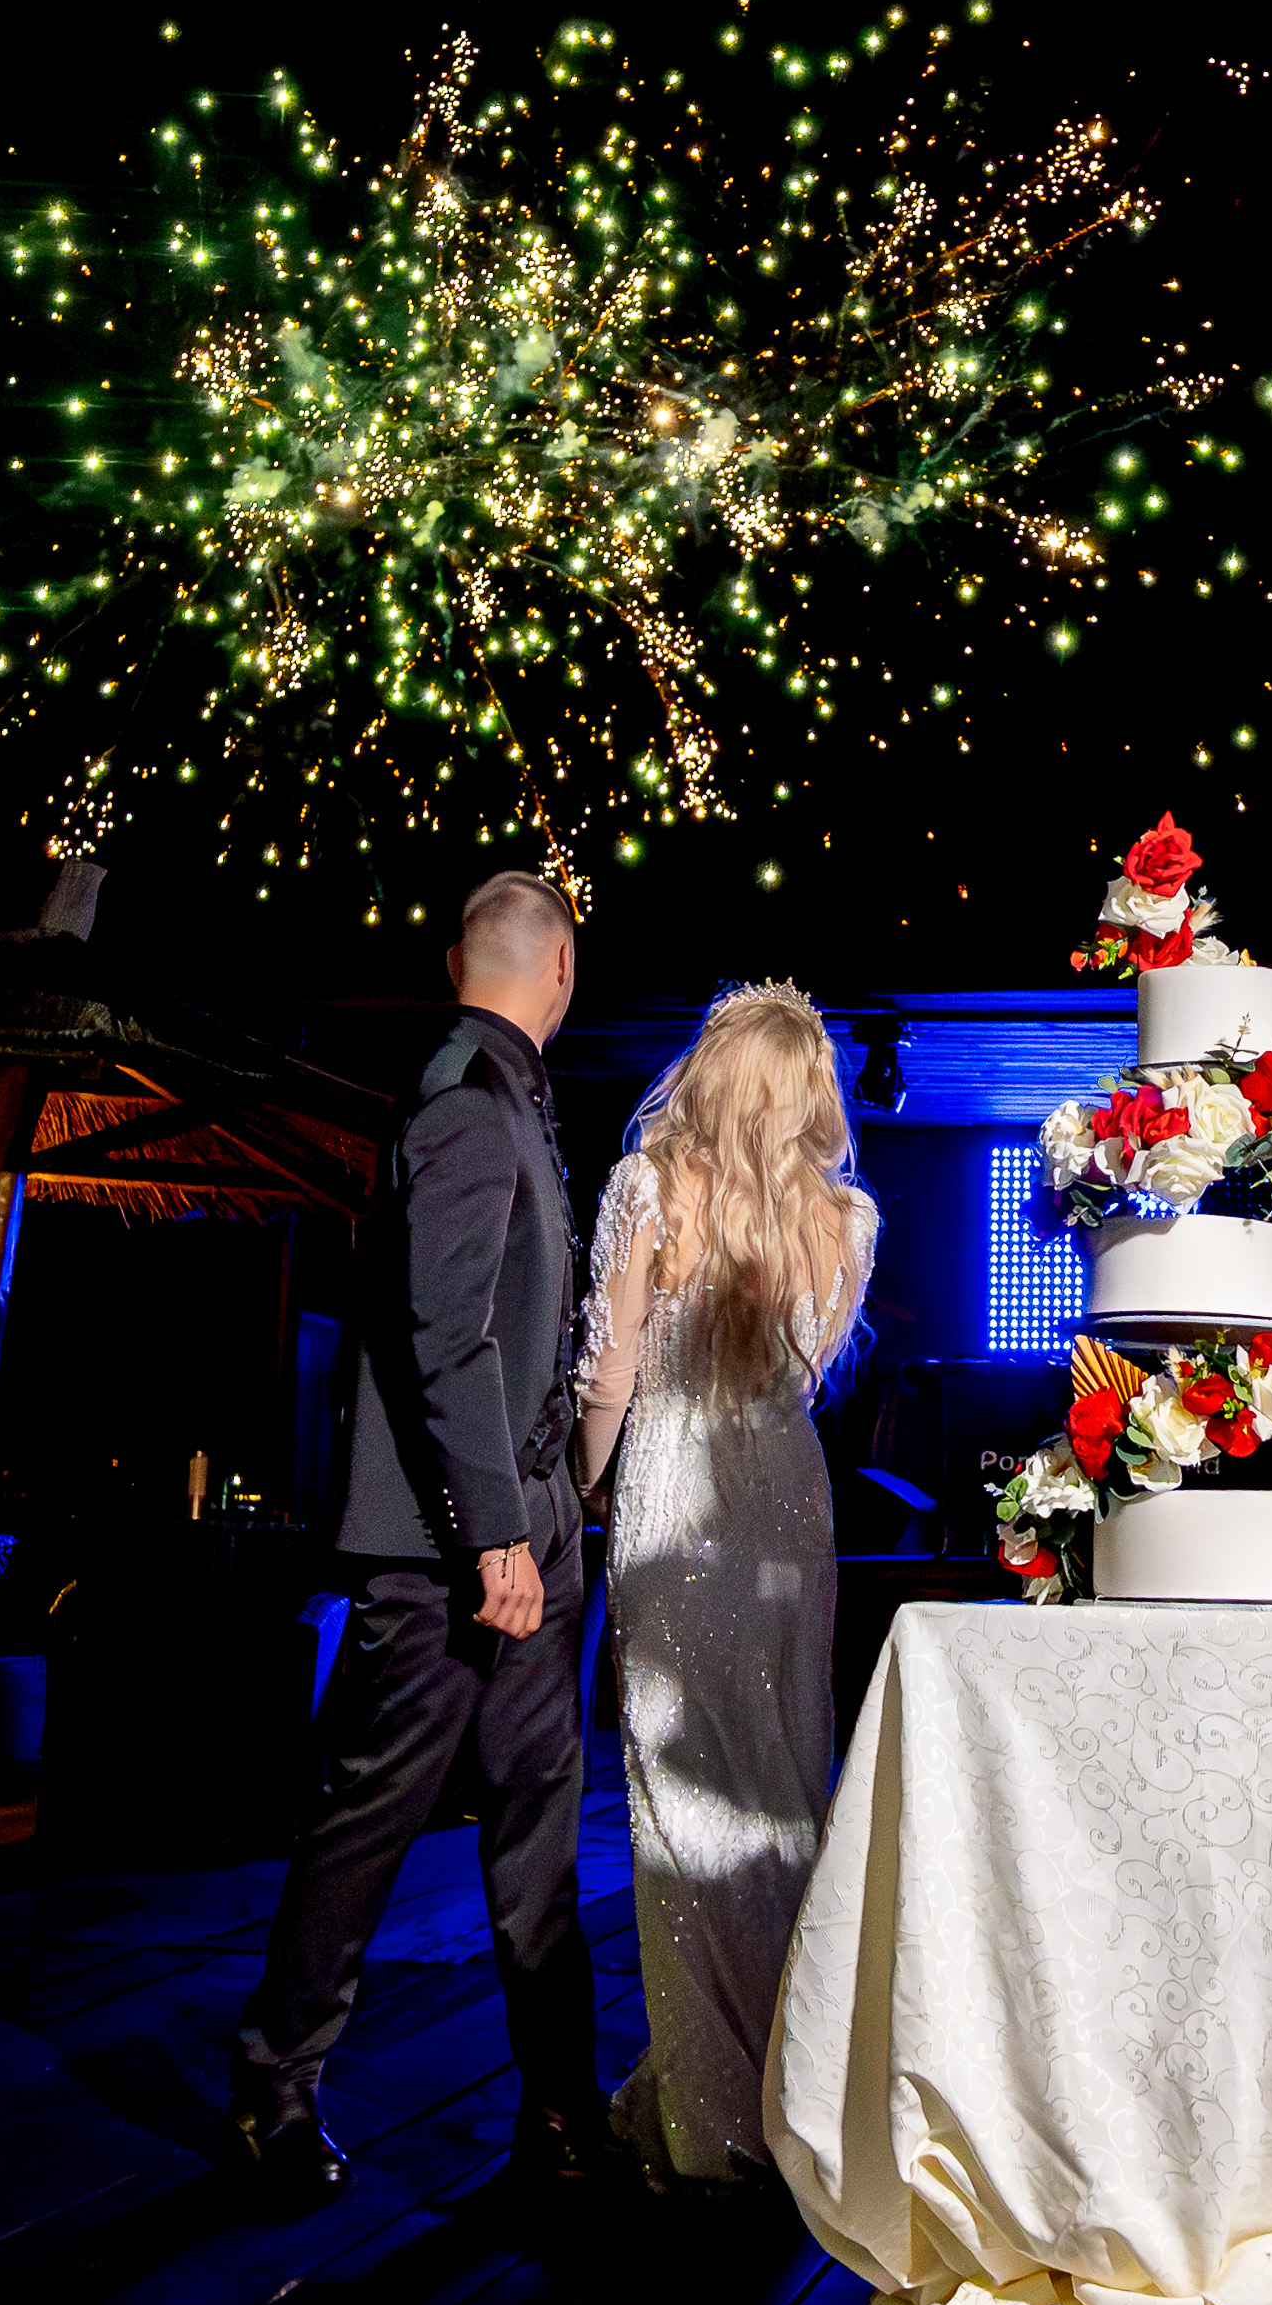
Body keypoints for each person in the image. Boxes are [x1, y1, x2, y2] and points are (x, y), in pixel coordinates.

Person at [227, 873, 607, 2209]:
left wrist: (543, 1524)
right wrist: (494, 1540)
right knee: (373, 1816)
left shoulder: (503, 1095)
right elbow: (445, 1337)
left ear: (459, 960)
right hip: (451, 1551)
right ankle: (270, 2087)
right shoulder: (463, 1099)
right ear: (559, 970)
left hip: (529, 1533)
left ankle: (559, 2109)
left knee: (539, 1829)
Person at [573, 982, 878, 2186]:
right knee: (782, 1796)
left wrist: (582, 1486)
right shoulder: (846, 1220)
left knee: (677, 1810)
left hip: (668, 1486)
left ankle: (711, 2108)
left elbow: (609, 1373)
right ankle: (786, 2094)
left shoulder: (647, 1186)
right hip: (784, 1497)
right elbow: (808, 1373)